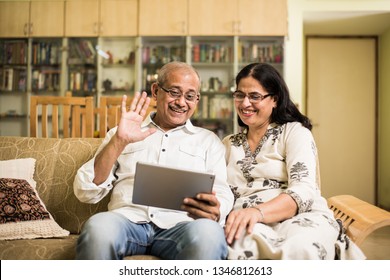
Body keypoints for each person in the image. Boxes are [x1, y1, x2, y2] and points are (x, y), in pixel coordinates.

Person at [74, 61, 234, 260]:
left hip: (182, 227)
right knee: (98, 228)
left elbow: (223, 192)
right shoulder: (122, 133)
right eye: (174, 92)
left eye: (190, 96)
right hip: (128, 222)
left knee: (209, 234)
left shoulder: (209, 141)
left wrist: (217, 208)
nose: (182, 102)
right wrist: (119, 142)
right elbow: (85, 191)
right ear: (156, 91)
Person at [222, 63, 365, 260]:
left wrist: (257, 212)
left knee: (301, 247)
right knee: (235, 247)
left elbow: (304, 190)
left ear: (274, 100)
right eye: (239, 95)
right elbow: (220, 192)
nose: (245, 103)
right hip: (246, 221)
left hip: (300, 216)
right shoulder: (228, 144)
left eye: (254, 96)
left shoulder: (294, 132)